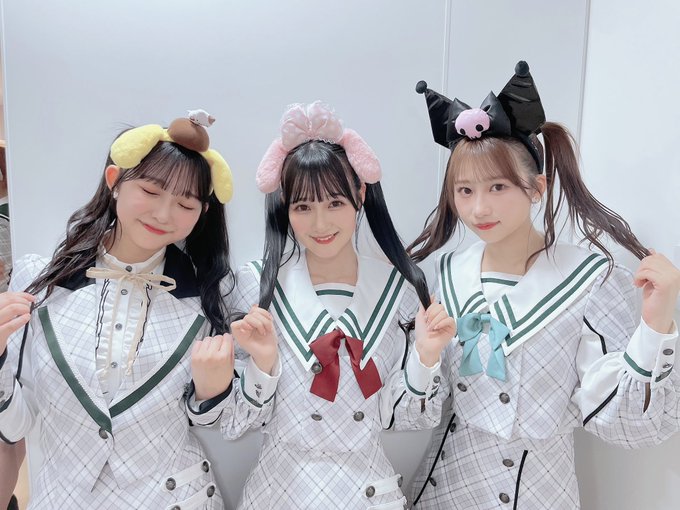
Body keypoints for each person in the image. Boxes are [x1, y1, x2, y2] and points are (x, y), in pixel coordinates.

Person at [407, 61, 680, 509]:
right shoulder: (446, 272)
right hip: (444, 488)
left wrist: (655, 327)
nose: (479, 209)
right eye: (465, 191)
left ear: (537, 188)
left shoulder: (588, 279)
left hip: (535, 492)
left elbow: (629, 425)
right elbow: (423, 402)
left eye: (498, 187)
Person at [189, 101, 456, 509]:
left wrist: (426, 356)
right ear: (285, 206)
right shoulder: (254, 288)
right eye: (303, 207)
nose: (320, 224)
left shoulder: (402, 291)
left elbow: (407, 419)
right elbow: (234, 423)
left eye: (334, 203)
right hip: (280, 493)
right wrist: (263, 364)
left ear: (360, 195)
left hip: (368, 494)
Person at [0, 112, 238, 508]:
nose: (163, 214)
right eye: (150, 190)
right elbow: (14, 426)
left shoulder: (210, 295)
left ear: (202, 214)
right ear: (115, 181)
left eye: (185, 203)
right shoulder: (38, 281)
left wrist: (213, 390)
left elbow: (215, 420)